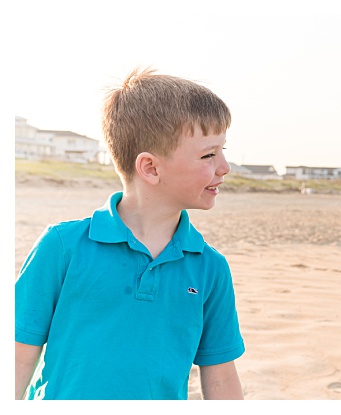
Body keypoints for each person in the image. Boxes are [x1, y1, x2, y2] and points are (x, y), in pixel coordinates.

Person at [14, 68, 245, 400]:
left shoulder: (210, 268)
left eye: (222, 150)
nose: (225, 167)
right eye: (209, 155)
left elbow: (221, 377)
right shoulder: (62, 246)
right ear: (150, 168)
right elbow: (19, 355)